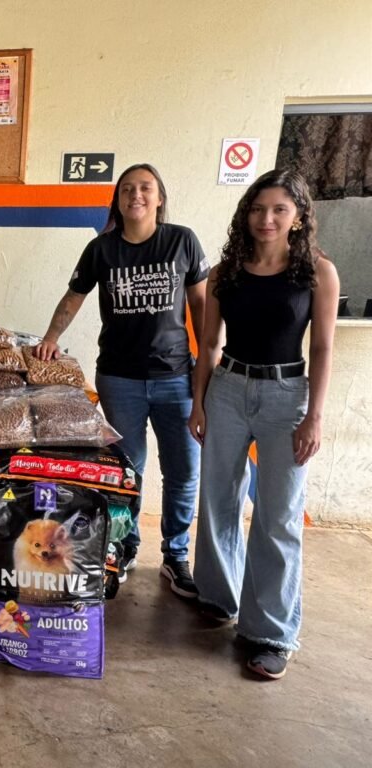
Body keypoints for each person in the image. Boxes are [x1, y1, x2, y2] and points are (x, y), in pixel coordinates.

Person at [31, 163, 208, 597]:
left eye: (145, 188)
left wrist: (209, 364)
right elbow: (74, 297)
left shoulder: (181, 241)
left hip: (176, 378)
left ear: (159, 197)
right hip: (119, 378)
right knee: (129, 471)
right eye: (127, 189)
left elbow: (202, 307)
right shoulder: (102, 249)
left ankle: (175, 556)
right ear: (118, 199)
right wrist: (51, 338)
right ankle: (126, 548)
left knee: (183, 470)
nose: (137, 195)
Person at [189, 169, 338, 680]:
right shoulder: (226, 272)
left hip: (285, 396)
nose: (266, 219)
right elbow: (208, 344)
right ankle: (217, 595)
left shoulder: (317, 272)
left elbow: (321, 349)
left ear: (298, 217)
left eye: (279, 209)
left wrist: (314, 416)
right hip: (227, 388)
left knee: (278, 515)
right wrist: (200, 402)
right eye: (257, 209)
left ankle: (270, 631)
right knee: (217, 500)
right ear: (245, 215)